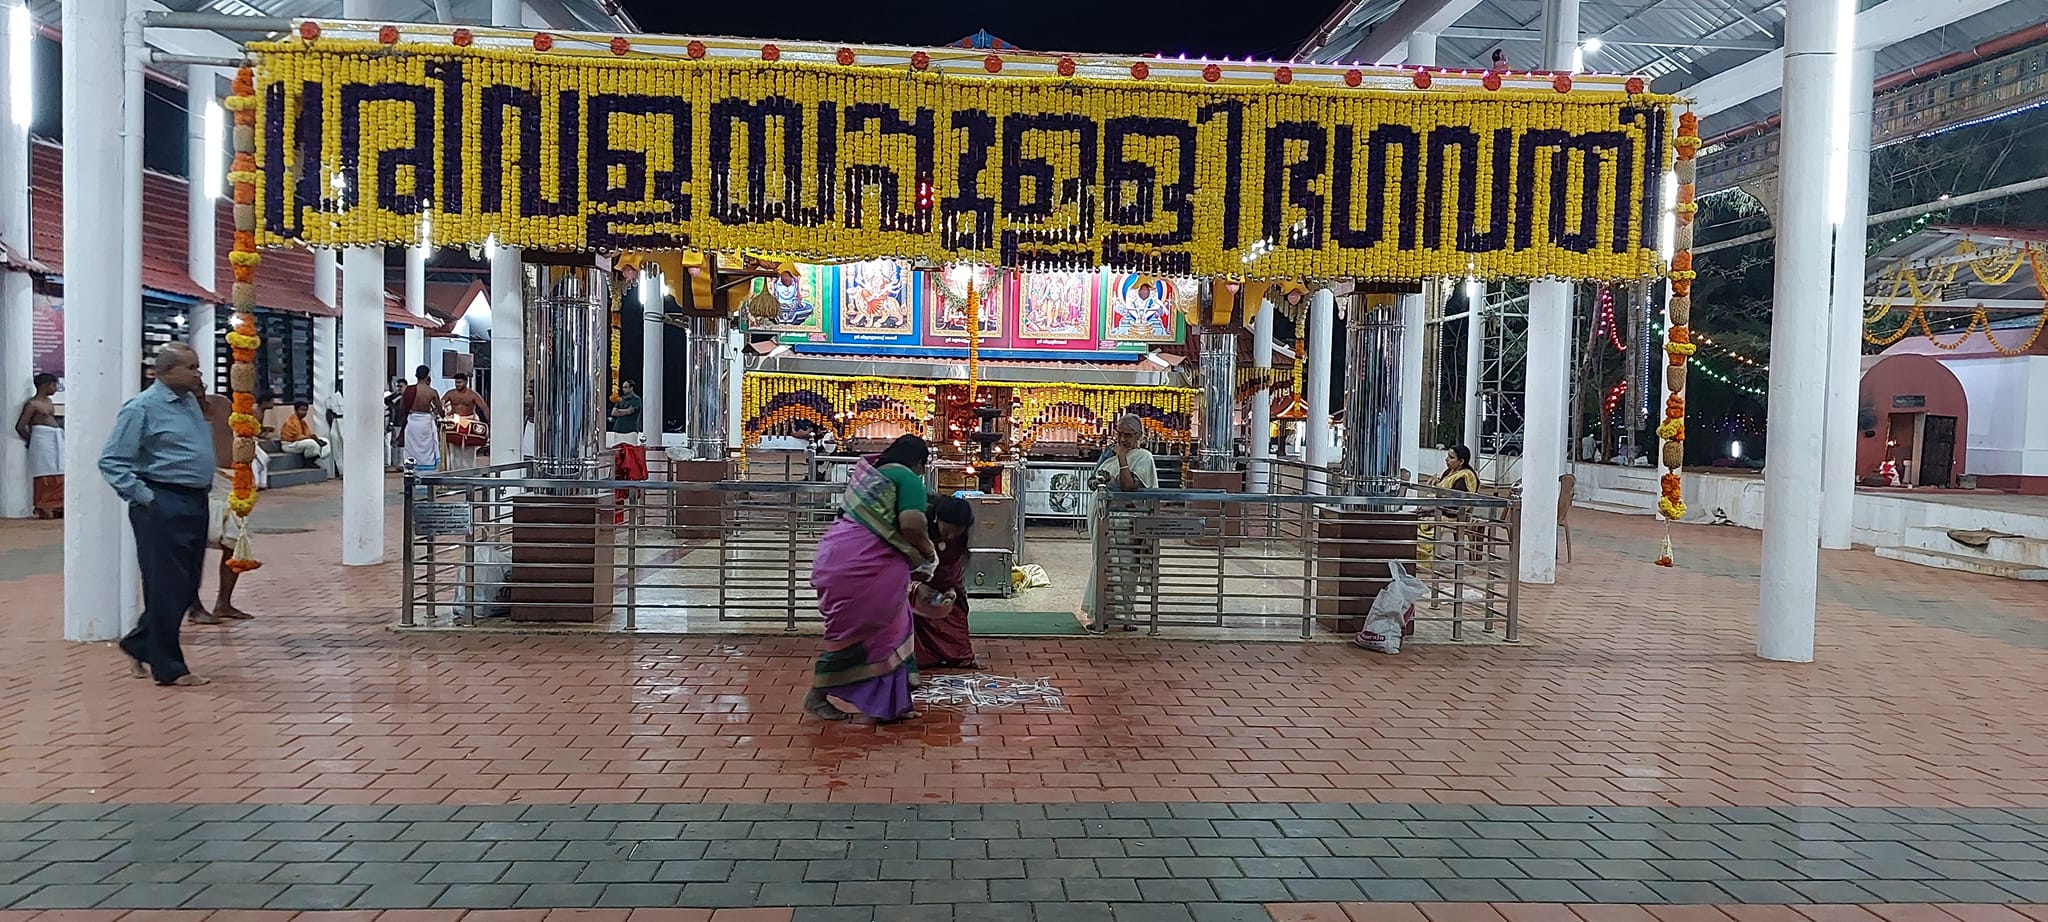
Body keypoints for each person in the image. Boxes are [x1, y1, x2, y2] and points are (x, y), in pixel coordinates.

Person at [100, 343, 215, 687]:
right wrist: (147, 498)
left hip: (195, 501)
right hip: (162, 503)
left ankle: (140, 641)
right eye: (191, 367)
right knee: (166, 585)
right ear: (165, 372)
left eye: (198, 366)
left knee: (186, 585)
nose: (198, 373)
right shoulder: (141, 408)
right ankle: (168, 666)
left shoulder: (189, 402)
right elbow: (111, 461)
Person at [805, 434, 938, 722]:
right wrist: (928, 552)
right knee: (871, 634)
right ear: (919, 462)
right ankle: (817, 695)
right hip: (867, 568)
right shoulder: (908, 479)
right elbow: (912, 524)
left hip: (836, 559)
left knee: (888, 630)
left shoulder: (870, 477)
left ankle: (891, 705)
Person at [1081, 414, 1159, 632]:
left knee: (1124, 568)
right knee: (1103, 565)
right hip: (1104, 519)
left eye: (1128, 435)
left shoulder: (1143, 457)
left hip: (1125, 524)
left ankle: (1126, 616)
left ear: (1139, 436)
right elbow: (1092, 480)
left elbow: (1129, 487)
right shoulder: (1110, 454)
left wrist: (1123, 458)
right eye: (1120, 434)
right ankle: (1102, 616)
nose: (1123, 439)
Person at [188, 385, 255, 625]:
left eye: (199, 374)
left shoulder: (222, 404)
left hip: (232, 478)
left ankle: (223, 603)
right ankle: (194, 606)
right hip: (202, 480)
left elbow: (242, 429)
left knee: (234, 541)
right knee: (193, 544)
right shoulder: (179, 411)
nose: (197, 380)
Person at [912, 496, 979, 670]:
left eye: (956, 532)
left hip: (946, 579)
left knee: (956, 614)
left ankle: (958, 655)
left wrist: (951, 589)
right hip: (914, 577)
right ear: (937, 520)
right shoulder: (917, 525)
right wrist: (917, 587)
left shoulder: (962, 537)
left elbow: (955, 565)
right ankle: (920, 657)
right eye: (947, 531)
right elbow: (900, 563)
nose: (950, 537)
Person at [16, 373, 62, 518]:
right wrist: (32, 440)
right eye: (53, 385)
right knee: (44, 472)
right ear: (45, 385)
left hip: (55, 438)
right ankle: (45, 504)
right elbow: (20, 426)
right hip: (41, 439)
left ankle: (58, 504)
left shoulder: (49, 401)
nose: (55, 388)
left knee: (60, 470)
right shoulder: (32, 404)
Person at [441, 372, 489, 469]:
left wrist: (488, 422)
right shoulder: (450, 393)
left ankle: (469, 471)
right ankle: (454, 471)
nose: (457, 384)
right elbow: (441, 403)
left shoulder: (473, 394)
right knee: (453, 448)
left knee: (469, 449)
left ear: (466, 382)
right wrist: (443, 412)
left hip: (469, 421)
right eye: (456, 382)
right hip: (454, 422)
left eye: (460, 382)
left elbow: (484, 407)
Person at [399, 365, 441, 471]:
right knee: (427, 447)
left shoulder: (407, 390)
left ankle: (411, 470)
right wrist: (434, 413)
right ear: (427, 376)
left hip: (412, 421)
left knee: (411, 448)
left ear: (416, 375)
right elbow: (439, 409)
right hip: (425, 422)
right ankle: (428, 473)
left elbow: (402, 407)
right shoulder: (432, 392)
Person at [277, 401, 332, 474]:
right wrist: (314, 440)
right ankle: (308, 462)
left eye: (306, 410)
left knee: (326, 441)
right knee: (311, 443)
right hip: (289, 445)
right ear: (296, 410)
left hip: (299, 443)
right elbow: (298, 437)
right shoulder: (291, 421)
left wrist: (317, 439)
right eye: (302, 410)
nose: (304, 412)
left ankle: (314, 458)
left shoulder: (302, 422)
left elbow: (308, 434)